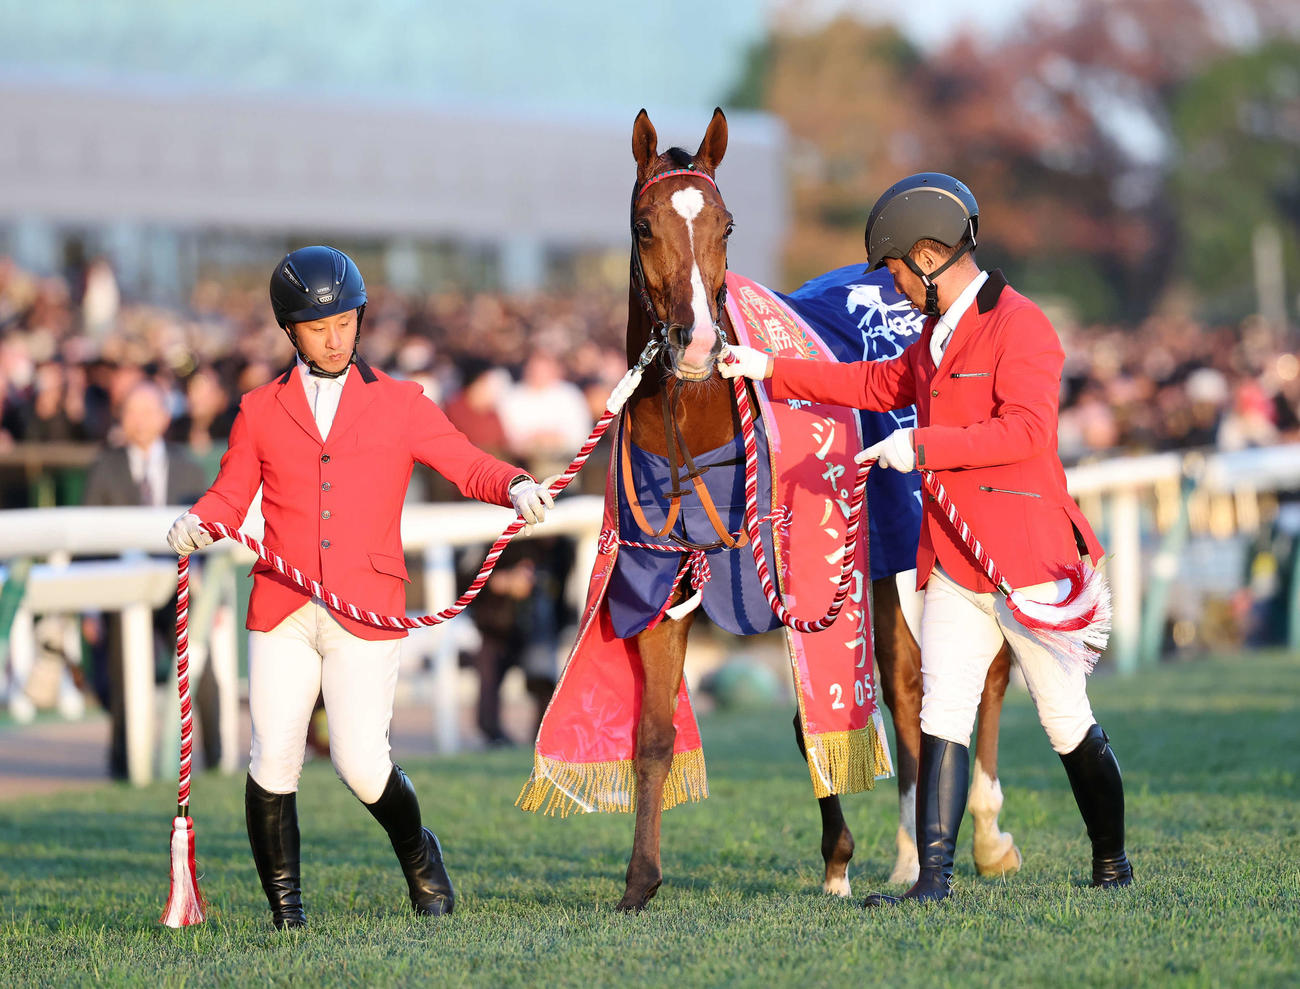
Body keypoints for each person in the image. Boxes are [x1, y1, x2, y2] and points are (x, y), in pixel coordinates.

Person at [721, 172, 1133, 906]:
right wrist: (770, 369)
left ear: (928, 255)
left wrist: (923, 447)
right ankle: (932, 880)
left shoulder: (1022, 325)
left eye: (898, 274)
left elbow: (1029, 432)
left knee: (1065, 716)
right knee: (941, 707)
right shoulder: (932, 337)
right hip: (952, 562)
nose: (897, 290)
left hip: (1026, 561)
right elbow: (874, 384)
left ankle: (1113, 862)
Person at [165, 246, 557, 929]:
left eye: (346, 322)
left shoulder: (401, 402)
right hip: (282, 605)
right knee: (273, 755)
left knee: (360, 760)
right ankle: (286, 910)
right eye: (320, 327)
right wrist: (201, 521)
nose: (336, 336)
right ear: (292, 330)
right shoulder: (258, 409)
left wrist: (514, 483)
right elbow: (231, 494)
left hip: (365, 605)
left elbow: (463, 461)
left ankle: (418, 852)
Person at [83, 380, 211, 779]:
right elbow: (89, 542)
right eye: (132, 412)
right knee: (122, 665)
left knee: (201, 659)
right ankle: (125, 763)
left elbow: (207, 535)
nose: (140, 422)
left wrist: (210, 597)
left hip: (181, 587)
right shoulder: (105, 467)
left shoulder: (188, 466)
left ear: (164, 416)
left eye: (148, 412)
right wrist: (90, 607)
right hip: (122, 591)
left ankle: (219, 757)